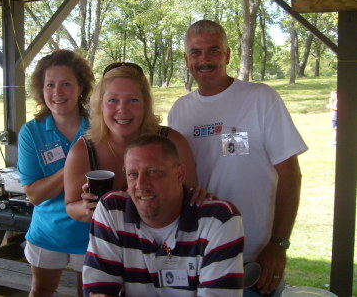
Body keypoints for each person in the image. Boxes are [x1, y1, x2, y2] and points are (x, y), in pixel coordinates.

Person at [168, 20, 308, 297]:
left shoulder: (260, 99)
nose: (204, 60)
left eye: (213, 51)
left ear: (228, 55)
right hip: (198, 253)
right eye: (196, 52)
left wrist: (278, 244)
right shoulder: (180, 111)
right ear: (186, 59)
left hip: (254, 258)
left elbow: (291, 174)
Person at [82, 134, 244, 296]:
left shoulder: (218, 221)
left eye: (153, 172)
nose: (140, 184)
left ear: (179, 174)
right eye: (132, 174)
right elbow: (97, 290)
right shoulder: (112, 210)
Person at [64, 62, 207, 224]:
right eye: (113, 100)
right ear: (100, 105)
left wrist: (199, 197)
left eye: (133, 100)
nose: (122, 109)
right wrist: (87, 209)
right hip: (110, 243)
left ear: (145, 104)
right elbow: (70, 206)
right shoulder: (82, 151)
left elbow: (191, 196)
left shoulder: (173, 142)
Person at [17, 49, 94, 297]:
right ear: (41, 90)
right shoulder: (31, 132)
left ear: (81, 87)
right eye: (50, 85)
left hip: (92, 233)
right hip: (47, 234)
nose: (57, 93)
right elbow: (34, 195)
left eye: (66, 84)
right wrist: (74, 166)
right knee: (40, 291)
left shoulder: (98, 127)